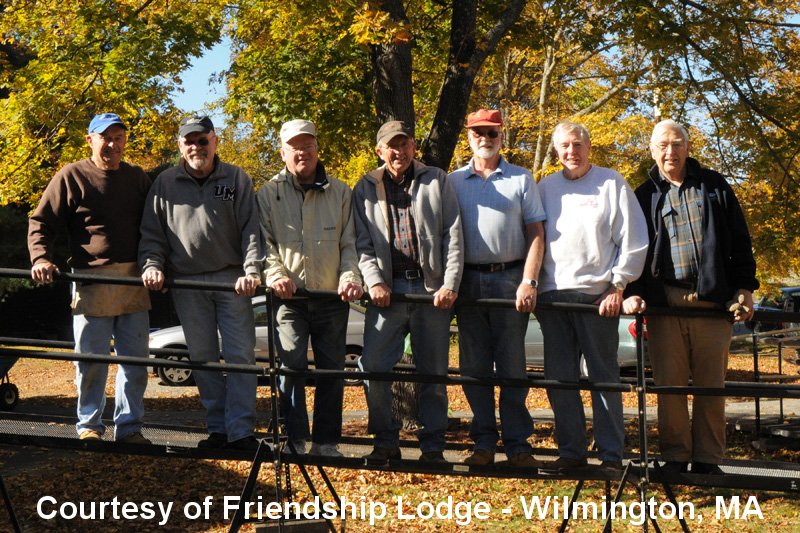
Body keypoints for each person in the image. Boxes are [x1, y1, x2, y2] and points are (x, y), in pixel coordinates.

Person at [623, 119, 758, 475]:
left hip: (713, 304)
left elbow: (740, 240)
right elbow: (633, 251)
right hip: (665, 305)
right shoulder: (643, 195)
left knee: (711, 388)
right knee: (669, 388)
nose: (671, 152)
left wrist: (745, 288)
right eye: (663, 145)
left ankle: (708, 461)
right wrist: (634, 293)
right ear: (652, 150)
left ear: (687, 147)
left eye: (677, 143)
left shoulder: (714, 186)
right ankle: (675, 457)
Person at [139, 115, 263, 451]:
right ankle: (218, 431)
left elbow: (251, 230)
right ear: (180, 145)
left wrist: (252, 270)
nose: (197, 147)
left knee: (241, 358)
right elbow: (152, 234)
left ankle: (241, 433)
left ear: (215, 141)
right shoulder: (164, 183)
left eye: (202, 140)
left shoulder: (236, 178)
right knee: (202, 358)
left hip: (232, 280)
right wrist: (153, 265)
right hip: (187, 282)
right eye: (189, 141)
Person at [27, 112, 152, 444]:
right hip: (91, 279)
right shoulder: (72, 176)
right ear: (90, 140)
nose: (112, 144)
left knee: (135, 364)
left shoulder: (137, 178)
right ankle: (89, 426)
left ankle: (130, 428)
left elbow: (156, 225)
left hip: (133, 279)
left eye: (118, 137)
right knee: (91, 362)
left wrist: (159, 263)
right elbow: (41, 222)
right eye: (105, 137)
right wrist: (41, 258)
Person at [536, 121, 648, 473]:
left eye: (578, 144)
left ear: (588, 146)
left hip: (598, 299)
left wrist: (618, 286)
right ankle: (571, 453)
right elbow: (534, 239)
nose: (572, 151)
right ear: (557, 150)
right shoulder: (545, 188)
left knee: (604, 380)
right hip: (554, 297)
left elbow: (633, 238)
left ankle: (611, 457)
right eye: (565, 146)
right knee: (560, 381)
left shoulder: (611, 183)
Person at [353, 120, 463, 464]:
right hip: (388, 290)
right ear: (380, 151)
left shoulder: (436, 179)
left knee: (434, 372)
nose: (399, 151)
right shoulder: (365, 187)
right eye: (392, 146)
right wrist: (374, 282)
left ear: (414, 147)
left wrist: (450, 283)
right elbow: (362, 244)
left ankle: (433, 447)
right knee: (374, 366)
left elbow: (453, 234)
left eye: (405, 144)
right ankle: (386, 441)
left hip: (432, 290)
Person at [257, 119, 363, 457]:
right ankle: (295, 440)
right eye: (295, 147)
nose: (302, 152)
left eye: (308, 145)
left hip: (332, 298)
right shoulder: (268, 193)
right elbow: (263, 244)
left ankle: (326, 443)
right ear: (282, 152)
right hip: (289, 299)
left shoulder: (341, 192)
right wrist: (275, 275)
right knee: (291, 369)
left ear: (317, 149)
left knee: (332, 372)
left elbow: (350, 243)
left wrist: (350, 277)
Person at [449, 109, 545, 468]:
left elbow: (537, 233)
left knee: (512, 368)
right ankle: (484, 443)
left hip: (510, 280)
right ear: (468, 137)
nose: (485, 139)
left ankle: (519, 445)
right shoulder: (452, 181)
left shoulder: (521, 178)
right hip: (468, 282)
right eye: (478, 133)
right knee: (474, 369)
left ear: (501, 136)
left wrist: (529, 280)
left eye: (492, 133)